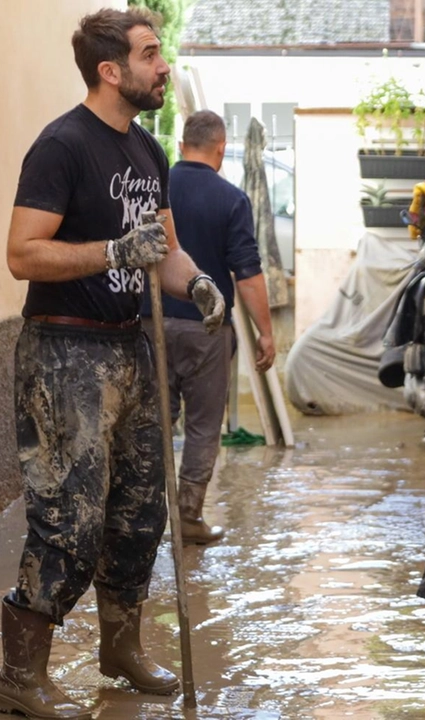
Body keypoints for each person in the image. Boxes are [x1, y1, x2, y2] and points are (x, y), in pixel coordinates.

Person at [0, 9, 227, 719]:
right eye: (152, 54)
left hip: (134, 348)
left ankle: (120, 648)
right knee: (70, 520)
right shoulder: (61, 147)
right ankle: (19, 676)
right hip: (66, 352)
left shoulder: (149, 154)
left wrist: (198, 283)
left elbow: (167, 250)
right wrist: (113, 252)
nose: (164, 67)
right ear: (110, 69)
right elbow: (21, 253)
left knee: (137, 514)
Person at [141, 110, 276, 546]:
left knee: (154, 422)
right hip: (207, 328)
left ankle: (142, 517)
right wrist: (266, 333)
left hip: (151, 324)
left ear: (180, 146)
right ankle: (189, 518)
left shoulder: (153, 191)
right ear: (221, 148)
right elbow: (248, 275)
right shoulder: (232, 199)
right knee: (203, 426)